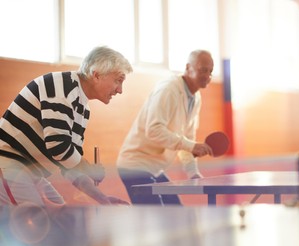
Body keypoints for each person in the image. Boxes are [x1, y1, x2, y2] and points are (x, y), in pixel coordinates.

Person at [0, 46, 132, 206]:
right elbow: (58, 146)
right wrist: (89, 168)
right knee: (40, 224)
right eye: (118, 80)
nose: (120, 90)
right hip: (10, 165)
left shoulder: (83, 108)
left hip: (32, 173)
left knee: (64, 219)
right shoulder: (60, 87)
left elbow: (69, 164)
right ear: (96, 75)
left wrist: (101, 198)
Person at [116, 49, 214, 205]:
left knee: (177, 213)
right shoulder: (169, 89)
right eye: (203, 70)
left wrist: (193, 173)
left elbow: (187, 140)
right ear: (188, 68)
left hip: (155, 168)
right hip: (135, 164)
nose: (207, 75)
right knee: (157, 218)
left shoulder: (196, 98)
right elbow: (153, 130)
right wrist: (191, 146)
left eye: (210, 71)